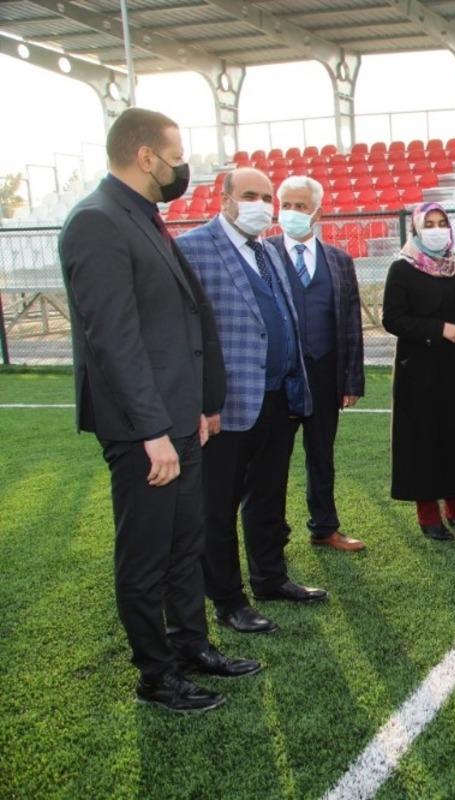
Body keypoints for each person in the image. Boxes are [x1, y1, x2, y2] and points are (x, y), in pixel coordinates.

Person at [59, 108, 259, 713]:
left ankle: (191, 646)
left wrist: (198, 406)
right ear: (145, 157)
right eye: (175, 155)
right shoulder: (96, 222)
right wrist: (152, 431)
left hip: (179, 421)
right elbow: (113, 342)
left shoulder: (143, 217)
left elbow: (179, 324)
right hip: (144, 431)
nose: (183, 168)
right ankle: (156, 675)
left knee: (183, 543)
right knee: (147, 554)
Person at [177, 167, 324, 637]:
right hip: (225, 407)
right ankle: (227, 600)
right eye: (249, 195)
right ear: (224, 199)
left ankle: (270, 577)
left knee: (268, 497)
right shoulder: (194, 249)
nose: (261, 203)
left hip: (278, 397)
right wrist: (202, 401)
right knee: (217, 506)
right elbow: (184, 333)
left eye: (266, 196)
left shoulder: (268, 250)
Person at [267, 175, 366, 553]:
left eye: (301, 206)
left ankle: (324, 528)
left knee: (321, 455)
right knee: (272, 461)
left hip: (325, 373)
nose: (292, 213)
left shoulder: (339, 260)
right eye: (286, 205)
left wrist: (351, 380)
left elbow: (352, 321)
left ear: (317, 213)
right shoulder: (264, 253)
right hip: (279, 378)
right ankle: (272, 535)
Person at [382, 202, 455, 540]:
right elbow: (392, 319)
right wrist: (438, 329)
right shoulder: (403, 268)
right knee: (424, 441)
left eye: (443, 222)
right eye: (430, 223)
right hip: (419, 371)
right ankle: (428, 517)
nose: (438, 228)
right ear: (416, 229)